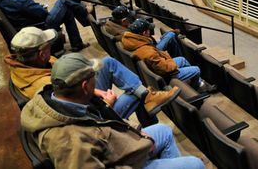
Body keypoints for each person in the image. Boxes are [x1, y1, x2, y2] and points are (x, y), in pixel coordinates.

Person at [20, 51, 204, 169]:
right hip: (124, 159)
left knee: (163, 130)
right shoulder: (68, 142)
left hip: (118, 145)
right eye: (94, 76)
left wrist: (137, 134)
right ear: (85, 85)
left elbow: (106, 123)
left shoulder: (64, 99)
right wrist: (138, 151)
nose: (96, 80)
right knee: (195, 164)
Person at [7, 28, 181, 118]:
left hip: (82, 95)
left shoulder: (27, 65)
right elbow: (78, 113)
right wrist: (107, 103)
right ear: (41, 53)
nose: (50, 48)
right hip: (96, 114)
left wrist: (95, 90)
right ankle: (142, 131)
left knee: (108, 63)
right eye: (47, 46)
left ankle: (148, 98)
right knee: (136, 96)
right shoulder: (42, 86)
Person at [0, 0, 90, 51]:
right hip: (39, 25)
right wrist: (40, 7)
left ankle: (77, 44)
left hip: (25, 25)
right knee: (63, 2)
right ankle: (86, 13)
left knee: (67, 11)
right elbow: (42, 13)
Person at [122, 19, 216, 92]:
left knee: (182, 60)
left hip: (158, 67)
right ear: (144, 33)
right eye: (148, 30)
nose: (150, 31)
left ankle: (198, 81)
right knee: (196, 70)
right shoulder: (148, 52)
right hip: (167, 75)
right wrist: (168, 58)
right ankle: (197, 87)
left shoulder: (132, 42)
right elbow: (166, 68)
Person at [105, 6, 183, 57]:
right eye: (130, 18)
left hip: (146, 47)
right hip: (150, 50)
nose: (132, 19)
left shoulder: (110, 25)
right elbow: (144, 42)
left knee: (169, 38)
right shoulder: (127, 35)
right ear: (124, 21)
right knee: (170, 35)